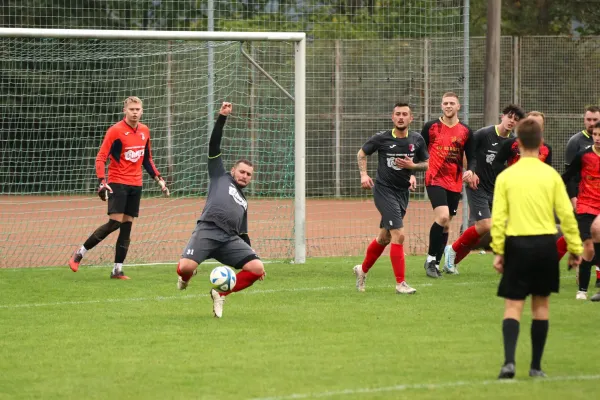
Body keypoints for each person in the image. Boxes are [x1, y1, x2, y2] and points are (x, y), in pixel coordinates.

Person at [491, 117, 582, 379]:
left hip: (517, 245)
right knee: (541, 306)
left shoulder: (507, 176)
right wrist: (575, 248)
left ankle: (509, 363)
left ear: (517, 143)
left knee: (513, 305)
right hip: (545, 245)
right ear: (541, 143)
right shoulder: (551, 175)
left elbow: (499, 218)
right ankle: (536, 367)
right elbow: (566, 215)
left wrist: (499, 251)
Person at [175, 102, 264, 318]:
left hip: (229, 239)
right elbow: (214, 146)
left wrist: (253, 256)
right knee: (185, 268)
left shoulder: (244, 202)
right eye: (242, 172)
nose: (244, 176)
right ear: (233, 170)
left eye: (249, 174)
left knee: (257, 268)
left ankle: (220, 295)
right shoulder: (219, 175)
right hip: (207, 230)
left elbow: (243, 234)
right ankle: (186, 276)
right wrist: (222, 117)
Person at [68, 96, 170, 279]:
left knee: (127, 227)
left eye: (138, 109)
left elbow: (147, 159)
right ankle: (79, 253)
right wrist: (102, 180)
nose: (135, 112)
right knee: (114, 222)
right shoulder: (115, 131)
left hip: (136, 184)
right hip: (117, 182)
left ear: (142, 110)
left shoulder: (145, 131)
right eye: (132, 109)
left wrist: (159, 179)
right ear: (125, 110)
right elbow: (101, 157)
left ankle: (117, 270)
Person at [353, 102, 429, 294]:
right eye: (397, 114)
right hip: (383, 191)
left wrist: (412, 169)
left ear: (411, 118)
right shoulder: (382, 138)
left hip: (402, 193)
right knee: (399, 234)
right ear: (392, 117)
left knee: (384, 237)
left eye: (405, 114)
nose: (401, 117)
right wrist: (364, 174)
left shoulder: (417, 139)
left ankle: (362, 270)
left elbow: (427, 164)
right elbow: (362, 153)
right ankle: (400, 283)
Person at [443, 104, 525, 274]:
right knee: (485, 225)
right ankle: (452, 250)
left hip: (498, 190)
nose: (512, 121)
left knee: (502, 228)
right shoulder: (484, 133)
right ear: (502, 116)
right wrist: (470, 172)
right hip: (477, 186)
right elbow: (465, 153)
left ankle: (453, 258)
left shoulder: (513, 143)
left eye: (516, 120)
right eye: (509, 117)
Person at [420, 92, 476, 278]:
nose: (448, 106)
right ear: (441, 105)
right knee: (442, 216)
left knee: (446, 225)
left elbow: (472, 156)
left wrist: (471, 170)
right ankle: (429, 260)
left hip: (455, 181)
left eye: (452, 103)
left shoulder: (466, 131)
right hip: (434, 178)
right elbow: (420, 151)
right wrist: (412, 172)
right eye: (445, 103)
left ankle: (436, 262)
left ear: (458, 106)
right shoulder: (431, 127)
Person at [557, 105, 600, 287]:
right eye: (588, 120)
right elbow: (570, 175)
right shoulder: (576, 143)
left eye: (594, 120)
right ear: (584, 120)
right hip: (584, 200)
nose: (591, 124)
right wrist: (573, 197)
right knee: (585, 237)